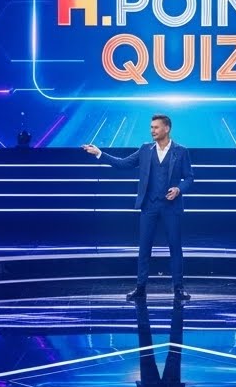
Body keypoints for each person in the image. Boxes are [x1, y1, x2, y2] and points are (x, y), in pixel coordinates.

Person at [83, 114, 195, 301]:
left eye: (156, 127)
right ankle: (140, 288)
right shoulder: (145, 150)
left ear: (166, 128)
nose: (152, 131)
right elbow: (123, 164)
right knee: (144, 248)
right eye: (151, 127)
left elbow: (189, 177)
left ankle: (178, 288)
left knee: (175, 247)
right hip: (149, 205)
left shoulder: (181, 151)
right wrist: (99, 153)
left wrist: (178, 189)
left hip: (171, 207)